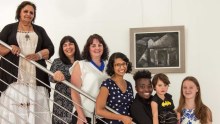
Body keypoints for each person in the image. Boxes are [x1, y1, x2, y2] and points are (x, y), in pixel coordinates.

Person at [0, 1, 54, 123]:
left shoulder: (39, 30)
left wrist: (38, 55)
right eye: (25, 11)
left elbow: (50, 48)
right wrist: (10, 48)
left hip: (36, 78)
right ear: (19, 12)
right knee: (15, 111)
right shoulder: (9, 28)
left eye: (31, 12)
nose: (28, 14)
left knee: (36, 111)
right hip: (14, 77)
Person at [70, 34, 109, 124]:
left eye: (100, 45)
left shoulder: (108, 65)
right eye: (93, 45)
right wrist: (80, 114)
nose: (97, 48)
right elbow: (74, 92)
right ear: (88, 48)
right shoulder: (80, 64)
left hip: (103, 114)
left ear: (104, 47)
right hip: (85, 113)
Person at [49, 36, 81, 123]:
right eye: (65, 45)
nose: (68, 47)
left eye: (71, 44)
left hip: (79, 100)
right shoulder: (57, 62)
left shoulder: (82, 62)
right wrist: (56, 75)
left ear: (75, 46)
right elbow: (50, 77)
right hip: (61, 101)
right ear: (62, 48)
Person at [96, 52, 134, 124]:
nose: (122, 67)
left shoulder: (129, 85)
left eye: (123, 64)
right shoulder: (107, 84)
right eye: (117, 65)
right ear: (112, 67)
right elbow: (99, 110)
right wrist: (122, 117)